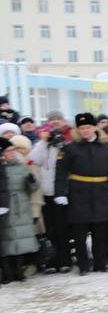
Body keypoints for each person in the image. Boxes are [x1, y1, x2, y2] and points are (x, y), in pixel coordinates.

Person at [54, 113, 108, 275]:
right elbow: (61, 172)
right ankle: (83, 265)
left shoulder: (105, 147)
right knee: (80, 233)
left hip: (101, 193)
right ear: (77, 130)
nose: (85, 131)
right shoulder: (70, 148)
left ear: (95, 128)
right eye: (82, 128)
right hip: (79, 194)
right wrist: (60, 193)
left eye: (88, 127)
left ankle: (100, 263)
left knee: (101, 231)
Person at [29, 111, 72, 273]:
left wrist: (61, 144)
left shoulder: (68, 138)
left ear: (63, 121)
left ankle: (65, 259)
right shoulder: (45, 142)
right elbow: (34, 158)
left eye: (58, 119)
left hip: (63, 191)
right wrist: (43, 141)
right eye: (52, 119)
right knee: (51, 230)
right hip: (46, 191)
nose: (55, 122)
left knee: (63, 229)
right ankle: (53, 261)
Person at [0, 136, 39, 282]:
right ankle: (7, 273)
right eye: (8, 151)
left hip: (20, 207)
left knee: (20, 241)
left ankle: (19, 271)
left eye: (13, 150)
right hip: (5, 206)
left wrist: (32, 182)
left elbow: (32, 188)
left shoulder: (22, 166)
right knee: (5, 240)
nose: (12, 153)